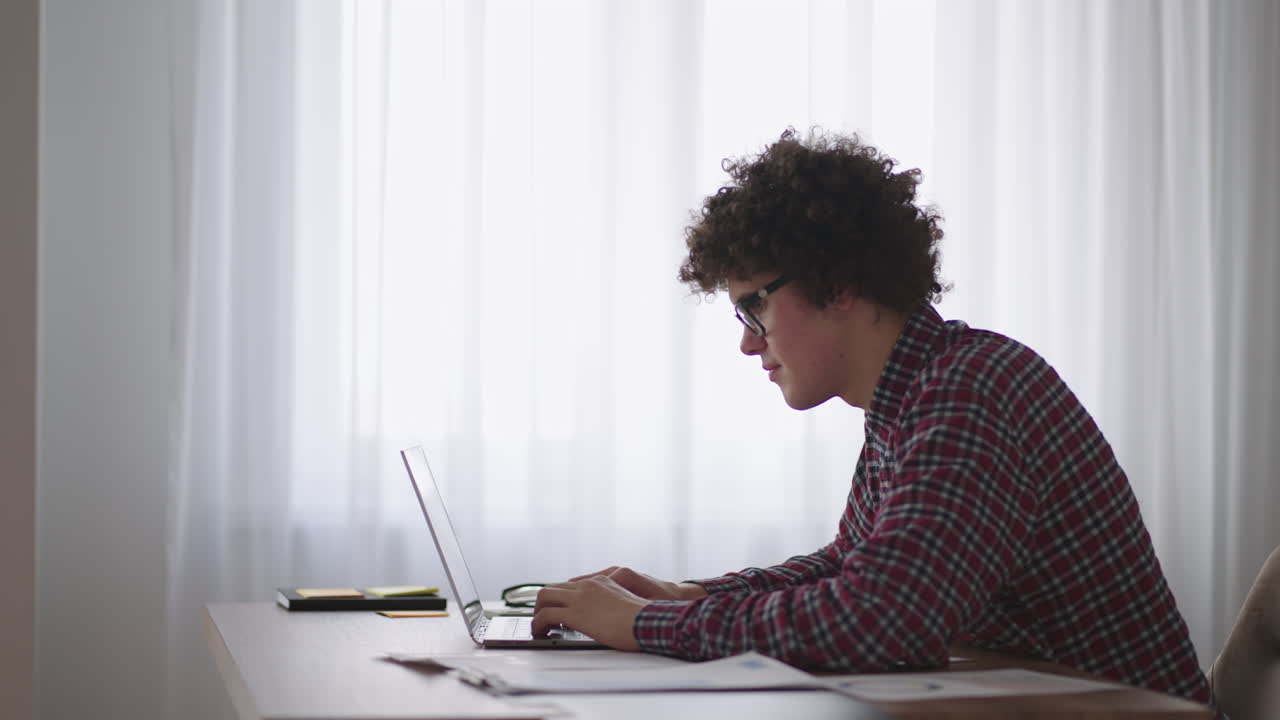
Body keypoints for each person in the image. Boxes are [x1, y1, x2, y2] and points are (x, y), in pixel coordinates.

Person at [531, 129, 1213, 707]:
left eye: (754, 308)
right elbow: (855, 569)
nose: (746, 340)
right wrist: (688, 596)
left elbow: (879, 620)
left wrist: (649, 624)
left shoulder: (970, 392)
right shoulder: (916, 396)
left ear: (840, 284)